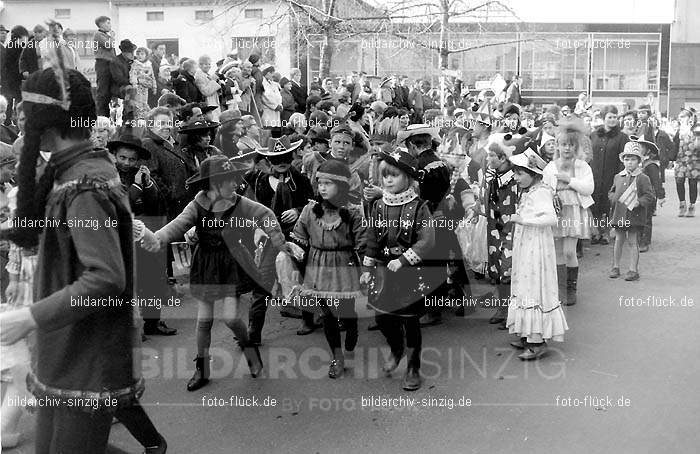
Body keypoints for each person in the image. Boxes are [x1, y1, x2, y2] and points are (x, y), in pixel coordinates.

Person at [0, 67, 166, 454]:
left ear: (46, 120)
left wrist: (29, 317)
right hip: (66, 346)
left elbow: (106, 278)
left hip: (87, 356)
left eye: (26, 112)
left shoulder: (85, 184)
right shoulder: (73, 169)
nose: (20, 120)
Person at [144, 155, 295, 389]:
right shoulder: (196, 205)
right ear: (214, 184)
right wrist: (156, 239)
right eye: (229, 180)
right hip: (206, 264)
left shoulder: (239, 203)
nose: (236, 184)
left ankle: (250, 351)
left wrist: (277, 240)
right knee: (204, 320)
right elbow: (178, 224)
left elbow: (265, 214)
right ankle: (201, 369)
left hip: (232, 262)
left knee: (231, 318)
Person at [361, 148, 435, 391]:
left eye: (394, 175)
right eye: (385, 176)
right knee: (382, 318)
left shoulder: (419, 206)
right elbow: (372, 237)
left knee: (410, 321)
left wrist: (403, 259)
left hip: (409, 273)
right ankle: (396, 348)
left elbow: (427, 241)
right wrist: (367, 265)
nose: (388, 180)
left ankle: (413, 368)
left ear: (407, 178)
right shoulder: (378, 205)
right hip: (383, 272)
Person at [288, 160, 365, 378]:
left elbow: (362, 242)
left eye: (328, 183)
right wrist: (293, 253)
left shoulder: (352, 212)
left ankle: (352, 326)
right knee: (328, 314)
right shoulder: (310, 210)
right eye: (320, 182)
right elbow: (299, 236)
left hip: (344, 263)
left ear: (341, 186)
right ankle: (337, 357)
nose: (322, 187)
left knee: (346, 310)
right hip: (317, 264)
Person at [239, 136, 315, 338]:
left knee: (303, 275)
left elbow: (313, 204)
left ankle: (308, 318)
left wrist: (298, 210)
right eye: (277, 158)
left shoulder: (301, 179)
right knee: (262, 282)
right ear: (268, 160)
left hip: (297, 236)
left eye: (286, 157)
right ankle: (253, 331)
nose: (282, 162)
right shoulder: (257, 181)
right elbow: (246, 208)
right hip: (268, 238)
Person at [108, 133, 176, 337]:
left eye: (132, 159)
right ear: (115, 156)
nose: (127, 163)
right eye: (123, 158)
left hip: (146, 233)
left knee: (153, 280)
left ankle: (153, 322)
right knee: (127, 282)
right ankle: (128, 326)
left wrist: (147, 185)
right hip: (121, 235)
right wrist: (137, 187)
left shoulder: (143, 174)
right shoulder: (108, 176)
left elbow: (158, 204)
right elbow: (121, 206)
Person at [506, 149, 568, 360]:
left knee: (534, 284)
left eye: (520, 174)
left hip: (537, 246)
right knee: (525, 283)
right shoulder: (530, 191)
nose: (516, 178)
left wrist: (524, 220)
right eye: (515, 173)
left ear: (533, 174)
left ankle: (537, 340)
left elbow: (550, 218)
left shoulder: (541, 191)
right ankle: (527, 332)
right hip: (527, 243)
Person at [542, 121, 594, 306]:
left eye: (571, 145)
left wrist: (569, 180)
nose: (567, 148)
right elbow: (545, 187)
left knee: (569, 252)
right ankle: (560, 289)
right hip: (556, 212)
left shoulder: (582, 166)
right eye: (564, 144)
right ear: (558, 145)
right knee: (557, 253)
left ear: (576, 146)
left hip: (574, 211)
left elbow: (589, 188)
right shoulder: (550, 166)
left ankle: (571, 290)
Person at [480, 133, 519, 325]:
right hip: (493, 226)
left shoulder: (515, 178)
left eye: (492, 156)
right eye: (488, 156)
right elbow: (487, 200)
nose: (488, 159)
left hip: (510, 228)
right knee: (496, 267)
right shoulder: (491, 176)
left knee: (508, 268)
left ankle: (512, 312)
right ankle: (502, 309)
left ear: (502, 158)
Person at [608, 141, 656, 281]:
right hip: (619, 213)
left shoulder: (642, 178)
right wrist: (613, 198)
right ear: (623, 160)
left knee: (632, 241)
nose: (629, 162)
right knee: (618, 239)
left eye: (633, 159)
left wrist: (639, 202)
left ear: (639, 160)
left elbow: (649, 196)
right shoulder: (618, 177)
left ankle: (633, 269)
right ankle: (615, 266)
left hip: (634, 215)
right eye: (627, 159)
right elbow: (611, 191)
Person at [590, 105, 628, 244]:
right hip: (594, 175)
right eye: (610, 117)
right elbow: (588, 155)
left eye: (615, 117)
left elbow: (623, 160)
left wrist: (620, 179)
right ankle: (596, 232)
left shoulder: (622, 137)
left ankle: (605, 233)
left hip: (611, 176)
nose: (612, 120)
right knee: (595, 205)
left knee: (608, 205)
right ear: (603, 118)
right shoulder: (594, 135)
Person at [637, 135, 664, 252]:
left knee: (646, 219)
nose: (638, 147)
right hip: (638, 195)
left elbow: (656, 181)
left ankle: (645, 241)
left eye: (641, 146)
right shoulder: (638, 162)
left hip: (648, 196)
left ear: (647, 149)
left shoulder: (651, 165)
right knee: (638, 217)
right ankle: (638, 239)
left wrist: (661, 195)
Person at [673, 108, 699, 217]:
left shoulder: (696, 129)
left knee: (692, 183)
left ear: (690, 118)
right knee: (679, 181)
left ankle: (692, 206)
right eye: (680, 117)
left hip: (694, 159)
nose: (681, 119)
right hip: (680, 160)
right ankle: (682, 204)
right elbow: (674, 145)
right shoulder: (679, 130)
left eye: (683, 117)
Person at [93, 16, 116, 117]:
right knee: (103, 91)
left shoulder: (105, 35)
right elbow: (108, 45)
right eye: (107, 23)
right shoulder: (98, 34)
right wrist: (112, 37)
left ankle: (106, 115)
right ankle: (101, 115)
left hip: (110, 64)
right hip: (103, 64)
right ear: (101, 24)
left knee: (109, 91)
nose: (110, 25)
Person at [110, 39, 137, 122]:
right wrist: (133, 82)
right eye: (130, 52)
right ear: (124, 52)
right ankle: (128, 114)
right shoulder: (115, 61)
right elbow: (119, 79)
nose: (133, 54)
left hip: (134, 83)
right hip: (119, 87)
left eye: (132, 51)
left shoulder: (134, 60)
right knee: (130, 89)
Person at [130, 47, 157, 120]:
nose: (139, 56)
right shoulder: (135, 64)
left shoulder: (149, 64)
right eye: (138, 54)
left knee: (144, 102)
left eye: (142, 54)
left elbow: (152, 76)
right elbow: (133, 74)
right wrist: (135, 84)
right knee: (138, 102)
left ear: (146, 55)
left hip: (145, 87)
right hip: (137, 87)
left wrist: (154, 87)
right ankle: (138, 118)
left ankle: (145, 117)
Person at [260, 64, 282, 129]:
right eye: (271, 73)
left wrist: (280, 105)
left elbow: (279, 96)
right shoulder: (262, 84)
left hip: (276, 113)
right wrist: (275, 106)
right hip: (268, 112)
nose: (273, 75)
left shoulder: (274, 84)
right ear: (266, 73)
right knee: (269, 133)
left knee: (276, 134)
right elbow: (266, 96)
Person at [148, 43, 167, 107]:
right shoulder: (151, 61)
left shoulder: (161, 61)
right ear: (154, 50)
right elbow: (153, 78)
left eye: (164, 49)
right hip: (154, 93)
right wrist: (161, 89)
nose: (163, 51)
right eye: (161, 49)